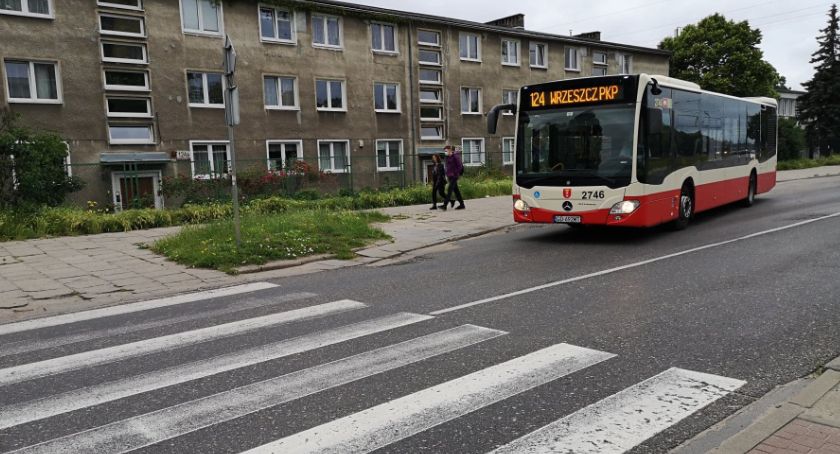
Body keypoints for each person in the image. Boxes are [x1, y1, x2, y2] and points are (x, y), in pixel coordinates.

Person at [441, 145, 465, 210]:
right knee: (456, 191)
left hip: (454, 176)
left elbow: (459, 166)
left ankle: (445, 205)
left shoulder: (455, 156)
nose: (445, 152)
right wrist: (446, 174)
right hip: (449, 176)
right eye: (444, 151)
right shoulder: (447, 157)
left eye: (446, 150)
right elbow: (447, 167)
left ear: (450, 150)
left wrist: (455, 173)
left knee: (449, 190)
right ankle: (462, 205)